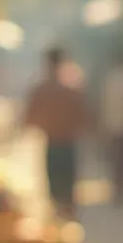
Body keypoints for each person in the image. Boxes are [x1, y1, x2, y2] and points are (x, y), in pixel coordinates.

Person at [24, 46, 89, 220]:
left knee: (59, 189)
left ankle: (63, 222)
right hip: (65, 141)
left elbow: (29, 118)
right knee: (65, 189)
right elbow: (84, 116)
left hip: (57, 141)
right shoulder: (70, 87)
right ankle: (64, 221)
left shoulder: (45, 88)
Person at [99, 49, 123, 203]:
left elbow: (104, 103)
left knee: (116, 160)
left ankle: (118, 191)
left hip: (112, 125)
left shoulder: (110, 78)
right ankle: (122, 191)